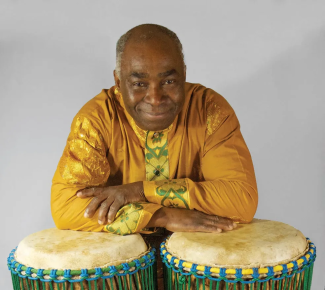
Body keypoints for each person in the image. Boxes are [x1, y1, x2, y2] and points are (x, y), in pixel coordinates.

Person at [51, 24, 258, 236]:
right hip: (125, 267)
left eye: (169, 81)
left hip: (193, 266)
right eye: (139, 84)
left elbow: (242, 200)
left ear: (184, 75)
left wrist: (139, 191)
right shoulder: (96, 120)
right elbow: (65, 206)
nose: (156, 99)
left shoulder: (210, 110)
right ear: (118, 81)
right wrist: (161, 215)